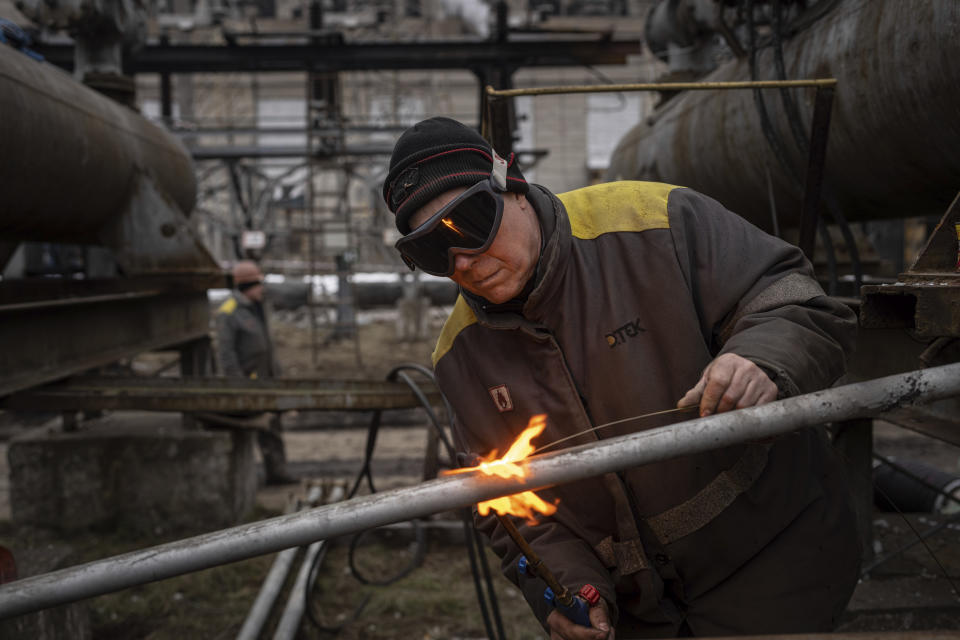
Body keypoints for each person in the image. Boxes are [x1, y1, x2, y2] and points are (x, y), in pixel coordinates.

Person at [382, 117, 861, 639]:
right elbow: (510, 508)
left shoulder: (656, 222)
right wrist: (565, 590)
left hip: (773, 566)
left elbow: (797, 303)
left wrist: (761, 359)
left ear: (511, 186)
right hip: (637, 617)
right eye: (433, 253)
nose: (464, 262)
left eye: (468, 224)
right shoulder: (461, 354)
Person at [214, 260, 296, 485]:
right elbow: (226, 354)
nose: (262, 289)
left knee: (273, 428)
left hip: (268, 379)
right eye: (258, 284)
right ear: (246, 286)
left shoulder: (258, 307)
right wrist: (238, 386)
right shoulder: (228, 312)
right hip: (249, 383)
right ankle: (249, 478)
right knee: (254, 429)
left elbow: (267, 346)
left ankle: (277, 472)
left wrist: (277, 374)